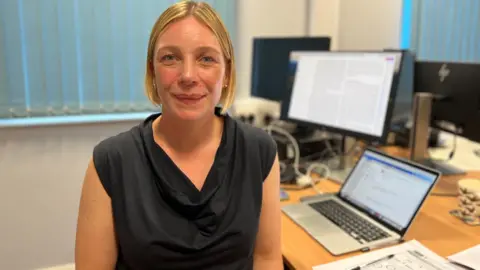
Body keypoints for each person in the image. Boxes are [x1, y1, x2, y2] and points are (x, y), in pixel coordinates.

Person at [74, 1, 283, 269]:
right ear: (152, 72)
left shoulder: (259, 151)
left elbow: (267, 258)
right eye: (170, 58)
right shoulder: (111, 162)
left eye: (206, 58)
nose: (187, 75)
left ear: (227, 72)